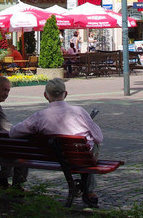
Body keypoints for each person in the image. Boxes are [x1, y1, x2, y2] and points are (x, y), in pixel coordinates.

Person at [10, 78, 104, 207]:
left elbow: (13, 133)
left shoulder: (39, 116)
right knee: (91, 146)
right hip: (81, 158)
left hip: (53, 158)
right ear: (65, 94)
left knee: (81, 150)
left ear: (45, 95)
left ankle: (87, 190)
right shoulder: (79, 111)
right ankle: (88, 192)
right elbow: (99, 137)